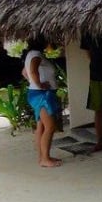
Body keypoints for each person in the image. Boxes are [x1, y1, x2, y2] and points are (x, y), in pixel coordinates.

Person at [23, 36, 63, 168]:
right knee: (50, 126)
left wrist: (33, 83)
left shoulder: (31, 54)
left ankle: (43, 157)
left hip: (38, 93)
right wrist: (39, 84)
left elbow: (24, 72)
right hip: (42, 95)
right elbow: (33, 71)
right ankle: (45, 158)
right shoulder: (36, 55)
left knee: (41, 126)